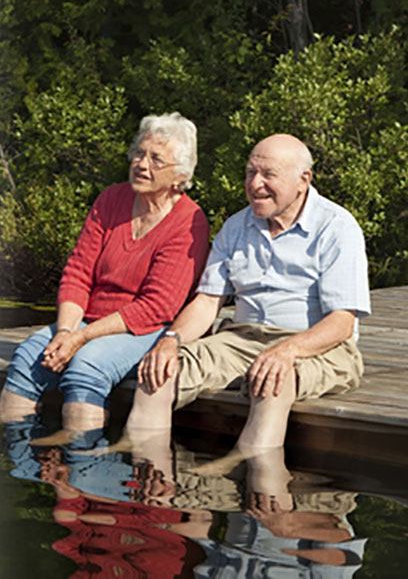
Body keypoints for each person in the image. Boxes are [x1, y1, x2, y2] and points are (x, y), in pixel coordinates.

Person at [0, 112, 209, 437]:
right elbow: (78, 273)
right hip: (85, 320)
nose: (142, 164)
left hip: (141, 329)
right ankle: (19, 452)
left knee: (87, 366)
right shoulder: (111, 198)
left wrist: (81, 338)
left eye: (156, 159)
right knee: (29, 355)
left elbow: (158, 307)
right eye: (139, 154)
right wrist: (66, 330)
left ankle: (81, 466)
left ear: (179, 175)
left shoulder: (189, 220)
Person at [128, 134, 370, 451]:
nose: (255, 184)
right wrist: (170, 341)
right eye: (250, 173)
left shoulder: (337, 227)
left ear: (303, 180)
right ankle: (144, 478)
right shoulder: (235, 227)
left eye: (268, 175)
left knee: (274, 381)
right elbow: (207, 303)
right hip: (242, 339)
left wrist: (287, 351)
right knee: (158, 374)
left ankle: (258, 482)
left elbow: (340, 323)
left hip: (318, 345)